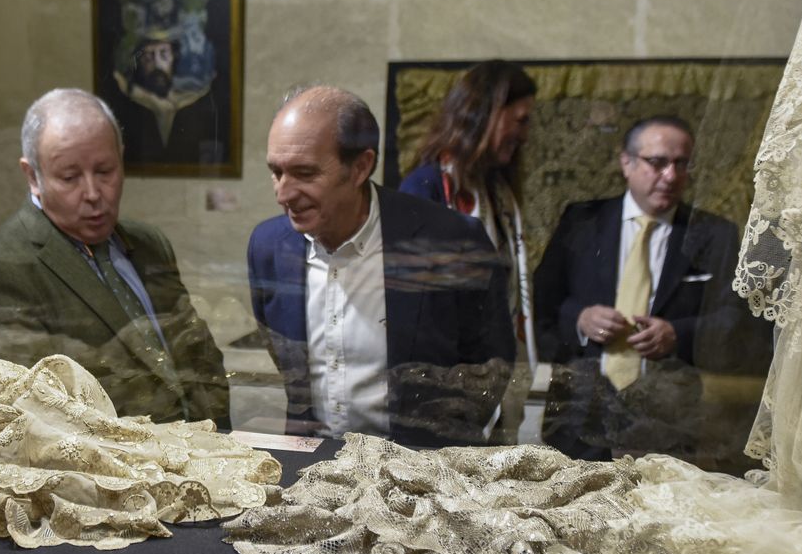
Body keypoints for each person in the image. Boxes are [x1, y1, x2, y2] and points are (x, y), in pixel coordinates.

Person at [246, 85, 514, 446]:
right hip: (312, 467)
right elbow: (283, 355)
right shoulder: (267, 248)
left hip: (423, 472)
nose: (283, 194)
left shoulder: (450, 241)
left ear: (360, 166)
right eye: (276, 172)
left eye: (305, 174)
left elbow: (491, 364)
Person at [0, 88, 230, 425]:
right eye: (69, 177)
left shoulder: (149, 244)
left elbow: (201, 358)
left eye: (105, 171)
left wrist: (214, 441)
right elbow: (38, 412)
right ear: (33, 177)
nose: (93, 194)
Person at [531, 115, 769, 464]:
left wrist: (677, 334)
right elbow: (543, 301)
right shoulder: (582, 221)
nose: (670, 176)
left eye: (681, 164)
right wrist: (581, 319)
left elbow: (737, 320)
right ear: (626, 163)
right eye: (657, 163)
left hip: (672, 415)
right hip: (580, 410)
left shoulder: (714, 233)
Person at [400, 60, 539, 438]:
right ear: (487, 115)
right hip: (445, 380)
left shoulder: (496, 194)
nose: (525, 135)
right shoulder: (425, 189)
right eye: (520, 120)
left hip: (490, 366)